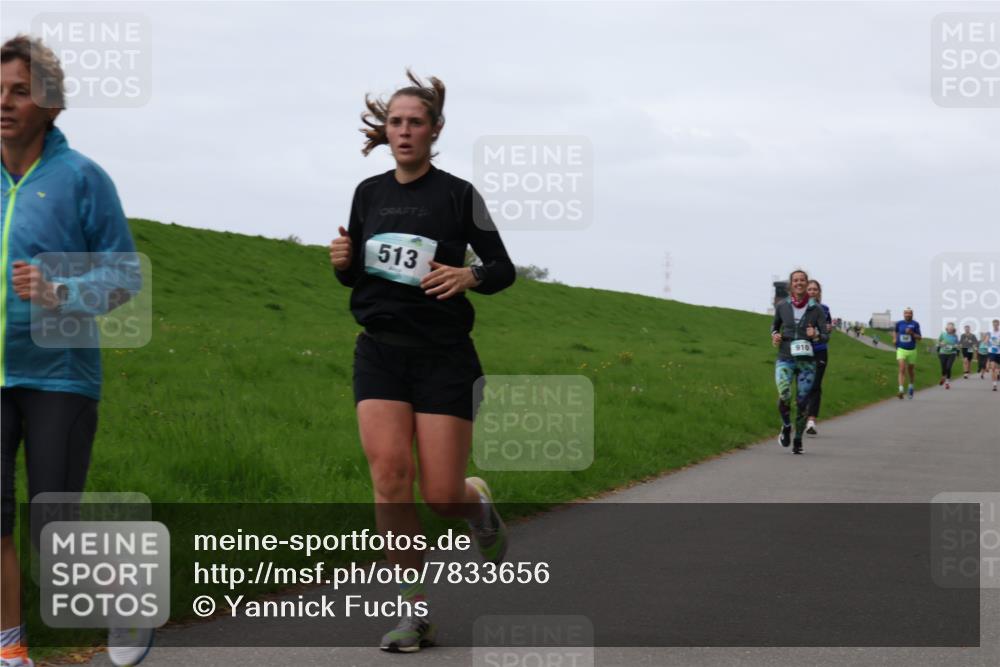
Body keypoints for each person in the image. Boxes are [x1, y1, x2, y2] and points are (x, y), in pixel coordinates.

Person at [330, 70, 516, 653]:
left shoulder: (459, 196)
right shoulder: (369, 193)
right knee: (389, 478)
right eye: (396, 122)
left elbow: (502, 267)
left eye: (416, 122)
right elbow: (358, 274)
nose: (405, 131)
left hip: (443, 357)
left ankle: (474, 501)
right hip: (380, 351)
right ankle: (412, 613)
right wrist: (342, 261)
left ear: (435, 130)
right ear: (384, 131)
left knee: (440, 496)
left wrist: (470, 275)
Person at [1, 36, 146, 667]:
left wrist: (61, 290)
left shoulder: (82, 177)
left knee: (50, 527)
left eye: (20, 91)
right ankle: (10, 648)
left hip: (60, 374)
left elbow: (125, 276)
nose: (4, 102)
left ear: (52, 105)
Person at [770, 269, 828, 454]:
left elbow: (825, 336)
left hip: (807, 361)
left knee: (802, 402)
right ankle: (787, 426)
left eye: (802, 280)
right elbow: (774, 326)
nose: (799, 283)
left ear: (806, 283)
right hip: (785, 357)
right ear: (791, 284)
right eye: (796, 280)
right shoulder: (782, 306)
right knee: (784, 393)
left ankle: (797, 439)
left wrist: (817, 334)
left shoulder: (816, 309)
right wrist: (775, 336)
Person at [804, 280, 831, 436]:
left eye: (815, 289)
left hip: (819, 350)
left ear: (819, 292)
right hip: (802, 351)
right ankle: (803, 414)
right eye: (810, 289)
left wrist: (823, 332)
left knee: (815, 384)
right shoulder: (799, 308)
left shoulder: (825, 309)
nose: (812, 292)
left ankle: (811, 421)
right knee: (803, 385)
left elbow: (827, 332)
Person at [892, 308, 922, 399]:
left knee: (910, 371)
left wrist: (912, 333)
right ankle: (901, 390)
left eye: (909, 313)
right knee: (902, 368)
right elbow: (895, 331)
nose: (908, 315)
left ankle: (911, 387)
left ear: (912, 314)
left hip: (912, 350)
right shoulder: (899, 323)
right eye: (906, 313)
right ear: (903, 314)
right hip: (901, 349)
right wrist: (894, 338)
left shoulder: (915, 324)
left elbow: (920, 338)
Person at [935, 323, 959, 389]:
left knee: (948, 367)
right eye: (949, 328)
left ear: (953, 329)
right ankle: (943, 377)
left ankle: (947, 382)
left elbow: (957, 345)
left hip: (952, 353)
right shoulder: (943, 334)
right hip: (943, 353)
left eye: (951, 328)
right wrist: (940, 344)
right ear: (947, 328)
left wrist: (956, 348)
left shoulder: (955, 336)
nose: (950, 329)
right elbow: (938, 342)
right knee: (943, 367)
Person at [988, 319, 1000, 392]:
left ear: (998, 325)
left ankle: (998, 374)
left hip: (999, 352)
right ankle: (994, 385)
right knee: (992, 368)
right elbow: (986, 341)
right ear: (992, 325)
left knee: (997, 369)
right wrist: (987, 342)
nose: (995, 325)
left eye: (996, 324)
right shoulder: (989, 332)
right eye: (994, 324)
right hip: (991, 352)